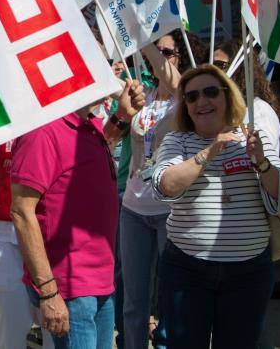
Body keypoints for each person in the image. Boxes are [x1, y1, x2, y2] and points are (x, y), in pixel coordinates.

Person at [153, 64, 280, 348]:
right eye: (191, 97)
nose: (201, 102)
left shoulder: (254, 137)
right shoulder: (176, 140)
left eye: (210, 92)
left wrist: (263, 163)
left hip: (248, 273)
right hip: (187, 270)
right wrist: (210, 151)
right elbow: (164, 185)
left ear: (228, 96)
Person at [10, 80, 145, 349]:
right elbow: (22, 211)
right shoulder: (42, 131)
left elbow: (82, 154)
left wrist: (122, 116)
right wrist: (49, 291)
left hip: (98, 280)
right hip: (69, 285)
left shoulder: (88, 123)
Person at [119, 31, 202, 348]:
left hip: (170, 211)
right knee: (134, 302)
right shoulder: (146, 95)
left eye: (166, 52)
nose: (158, 56)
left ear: (181, 57)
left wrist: (140, 36)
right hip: (134, 209)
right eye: (157, 51)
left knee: (171, 299)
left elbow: (173, 79)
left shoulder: (188, 98)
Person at [0, 142, 35, 347]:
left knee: (57, 335)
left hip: (53, 233)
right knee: (9, 338)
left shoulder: (59, 110)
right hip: (6, 234)